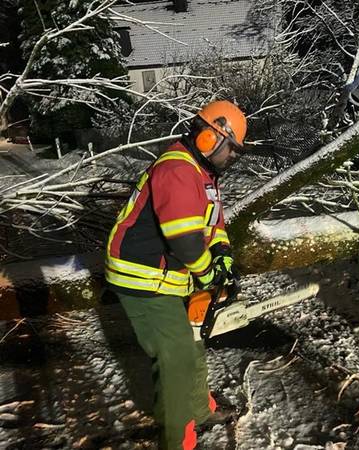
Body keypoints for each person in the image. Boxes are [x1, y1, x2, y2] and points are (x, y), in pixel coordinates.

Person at [104, 100, 247, 449]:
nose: (232, 157)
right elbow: (185, 241)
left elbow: (213, 225)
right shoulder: (177, 169)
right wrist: (209, 276)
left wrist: (223, 256)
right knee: (176, 361)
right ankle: (178, 441)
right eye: (231, 148)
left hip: (168, 274)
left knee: (191, 342)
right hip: (142, 276)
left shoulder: (203, 174)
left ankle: (199, 409)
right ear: (210, 138)